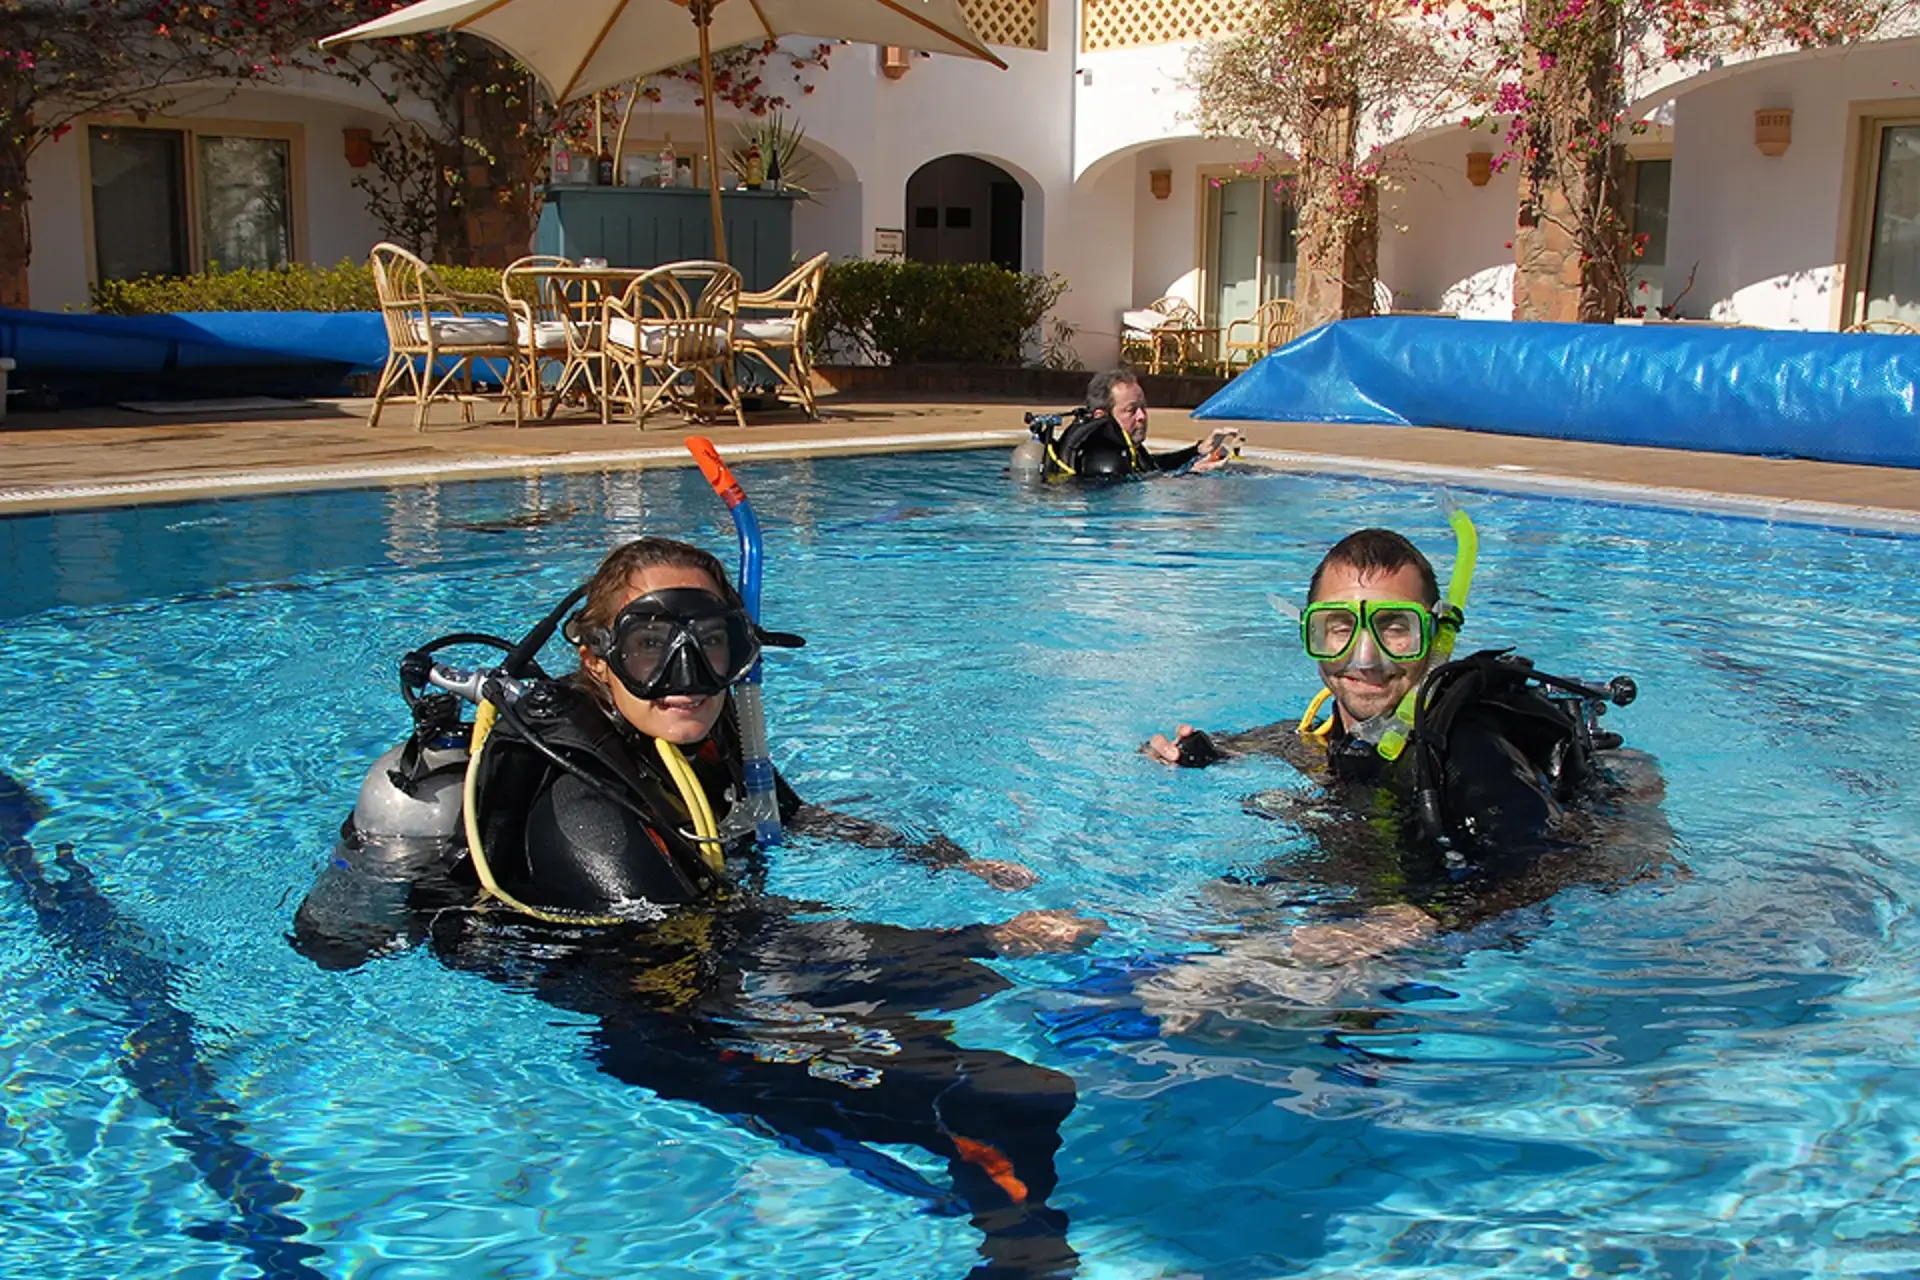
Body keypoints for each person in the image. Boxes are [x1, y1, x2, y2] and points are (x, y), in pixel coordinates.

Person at [294, 536, 1100, 1277]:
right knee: (1002, 1094)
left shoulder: (695, 733)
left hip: (719, 974)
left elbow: (788, 813)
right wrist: (979, 939)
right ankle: (1023, 1253)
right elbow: (693, 943)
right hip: (660, 1019)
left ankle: (1016, 1244)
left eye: (709, 642)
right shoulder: (584, 797)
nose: (686, 673)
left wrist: (945, 858)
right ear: (596, 656)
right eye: (653, 643)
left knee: (1006, 1082)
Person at [1142, 520, 1665, 961]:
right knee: (1195, 918)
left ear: (1435, 638)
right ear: (1310, 635)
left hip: (1420, 919)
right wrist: (1201, 752)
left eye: (1395, 628)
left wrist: (1412, 923)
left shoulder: (1465, 746)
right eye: (1338, 627)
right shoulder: (1322, 729)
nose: (1364, 658)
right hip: (1362, 878)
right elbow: (1293, 743)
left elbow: (1550, 865)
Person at [1033, 369, 1236, 481]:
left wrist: (1198, 451)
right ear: (1102, 416)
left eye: (1143, 408)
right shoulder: (1104, 457)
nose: (1142, 416)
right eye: (1131, 410)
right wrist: (1192, 476)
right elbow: (1129, 492)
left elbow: (1152, 465)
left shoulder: (1124, 446)